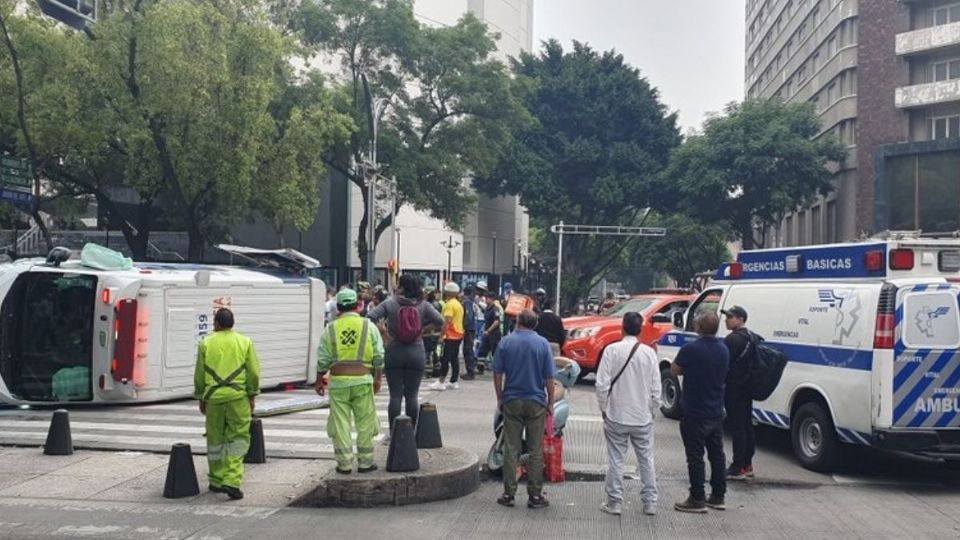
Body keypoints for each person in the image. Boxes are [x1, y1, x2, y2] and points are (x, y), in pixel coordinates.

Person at [596, 312, 661, 517]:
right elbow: (656, 388)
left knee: (616, 459)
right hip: (642, 416)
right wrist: (652, 410)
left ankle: (614, 502)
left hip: (616, 414)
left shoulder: (611, 350)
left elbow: (601, 384)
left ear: (622, 327)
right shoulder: (649, 353)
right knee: (646, 459)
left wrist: (604, 408)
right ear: (640, 329)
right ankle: (650, 502)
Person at [316, 288, 385, 474]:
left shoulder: (330, 328)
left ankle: (344, 464)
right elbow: (379, 355)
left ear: (338, 307)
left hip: (338, 382)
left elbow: (322, 359)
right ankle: (365, 462)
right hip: (362, 381)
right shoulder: (368, 326)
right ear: (358, 305)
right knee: (365, 423)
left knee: (340, 424)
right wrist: (378, 378)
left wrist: (318, 381)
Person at [193, 308, 260, 500]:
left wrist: (201, 396)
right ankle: (231, 480)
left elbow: (199, 374)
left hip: (214, 399)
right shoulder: (244, 342)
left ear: (216, 323)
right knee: (238, 439)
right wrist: (252, 394)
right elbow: (253, 372)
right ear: (232, 323)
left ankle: (216, 479)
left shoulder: (205, 343)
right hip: (238, 399)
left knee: (215, 440)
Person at [493, 309, 556, 509]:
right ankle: (535, 495)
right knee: (534, 449)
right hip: (536, 401)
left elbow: (497, 373)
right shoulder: (543, 344)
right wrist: (551, 402)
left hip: (512, 399)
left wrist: (500, 397)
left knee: (512, 448)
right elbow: (549, 378)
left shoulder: (506, 342)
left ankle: (509, 494)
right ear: (535, 324)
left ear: (518, 322)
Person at [367, 274, 445, 431]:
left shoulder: (390, 303)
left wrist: (384, 332)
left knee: (395, 395)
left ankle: (393, 432)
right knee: (412, 396)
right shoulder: (423, 305)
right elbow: (440, 321)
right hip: (416, 351)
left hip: (394, 350)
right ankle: (410, 432)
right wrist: (422, 330)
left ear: (402, 287)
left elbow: (370, 317)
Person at [670, 311, 729, 513]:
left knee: (695, 456)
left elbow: (675, 370)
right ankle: (718, 495)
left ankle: (697, 498)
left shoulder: (690, 349)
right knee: (717, 455)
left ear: (699, 328)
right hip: (716, 409)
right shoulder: (724, 349)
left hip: (695, 410)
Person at [721, 305, 756, 481]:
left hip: (734, 388)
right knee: (747, 425)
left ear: (741, 319)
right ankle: (747, 464)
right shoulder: (751, 337)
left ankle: (737, 466)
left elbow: (723, 363)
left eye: (731, 316)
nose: (727, 319)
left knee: (737, 427)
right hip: (748, 387)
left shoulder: (732, 340)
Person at [430, 282, 464, 390]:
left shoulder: (449, 305)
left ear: (447, 292)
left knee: (445, 358)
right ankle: (453, 381)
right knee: (454, 358)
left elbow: (447, 322)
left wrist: (441, 336)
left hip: (451, 335)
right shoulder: (458, 304)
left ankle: (441, 381)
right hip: (458, 334)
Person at [461, 284, 480, 380]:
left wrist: (464, 327)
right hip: (472, 328)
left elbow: (468, 317)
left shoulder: (467, 302)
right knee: (469, 349)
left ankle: (470, 372)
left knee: (467, 349)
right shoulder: (472, 302)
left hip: (469, 329)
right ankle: (470, 370)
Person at [422, 287, 442, 376]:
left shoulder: (430, 305)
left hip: (429, 332)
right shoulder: (437, 304)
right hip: (435, 332)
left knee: (428, 351)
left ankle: (428, 371)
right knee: (434, 351)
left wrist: (424, 329)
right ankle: (437, 370)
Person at [479, 289, 503, 362]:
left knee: (495, 351)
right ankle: (481, 366)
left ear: (491, 299)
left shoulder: (495, 309)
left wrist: (488, 330)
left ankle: (497, 367)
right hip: (487, 333)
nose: (486, 300)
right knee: (482, 350)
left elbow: (496, 321)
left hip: (494, 333)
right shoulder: (487, 308)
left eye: (487, 298)